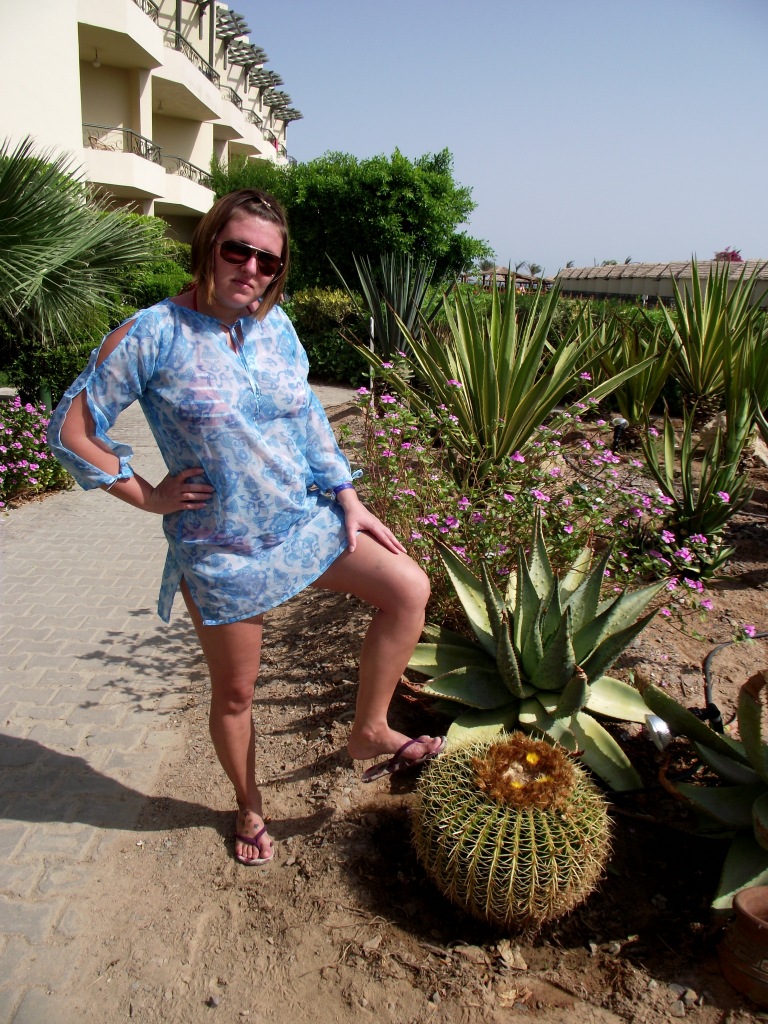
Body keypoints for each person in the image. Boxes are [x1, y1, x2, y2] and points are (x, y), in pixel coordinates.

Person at [48, 188, 444, 867]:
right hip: (221, 550)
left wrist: (347, 496)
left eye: (269, 261)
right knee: (236, 694)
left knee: (408, 588)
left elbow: (308, 417)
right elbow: (71, 429)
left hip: (301, 522)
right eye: (239, 251)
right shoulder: (153, 333)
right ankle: (249, 803)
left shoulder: (275, 324)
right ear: (210, 247)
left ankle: (371, 731)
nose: (252, 269)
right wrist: (147, 496)